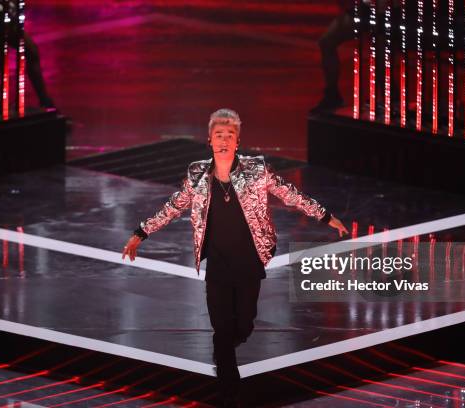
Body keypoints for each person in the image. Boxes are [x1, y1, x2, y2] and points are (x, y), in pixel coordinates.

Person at [122, 108, 348, 407]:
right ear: (210, 141)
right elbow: (173, 206)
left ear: (238, 141)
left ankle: (228, 350)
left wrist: (325, 216)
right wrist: (141, 232)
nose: (224, 140)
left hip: (249, 261)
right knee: (221, 329)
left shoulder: (256, 170)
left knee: (244, 325)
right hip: (217, 264)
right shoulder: (197, 174)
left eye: (230, 135)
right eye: (219, 135)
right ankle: (229, 390)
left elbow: (289, 194)